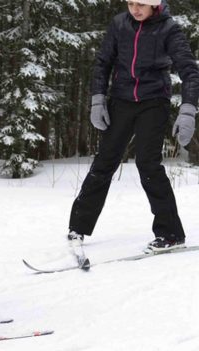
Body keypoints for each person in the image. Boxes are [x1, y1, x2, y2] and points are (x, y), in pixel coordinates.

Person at [68, 0, 199, 252]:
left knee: (148, 164)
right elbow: (102, 62)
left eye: (141, 4)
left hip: (154, 102)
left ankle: (171, 234)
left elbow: (189, 71)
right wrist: (98, 99)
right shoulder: (119, 24)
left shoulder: (168, 29)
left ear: (154, 6)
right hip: (121, 100)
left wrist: (188, 110)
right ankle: (78, 227)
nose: (135, 9)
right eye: (130, 3)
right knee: (104, 161)